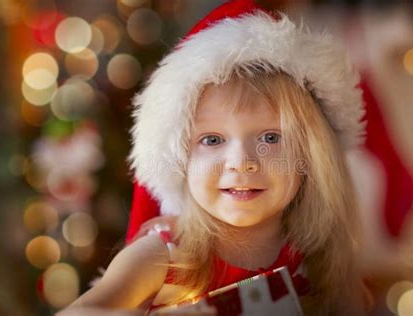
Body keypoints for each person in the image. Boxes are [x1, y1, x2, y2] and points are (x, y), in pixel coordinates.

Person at [58, 0, 371, 315]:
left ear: (310, 153)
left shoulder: (314, 257)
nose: (241, 162)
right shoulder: (162, 256)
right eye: (212, 140)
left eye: (271, 137)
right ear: (181, 157)